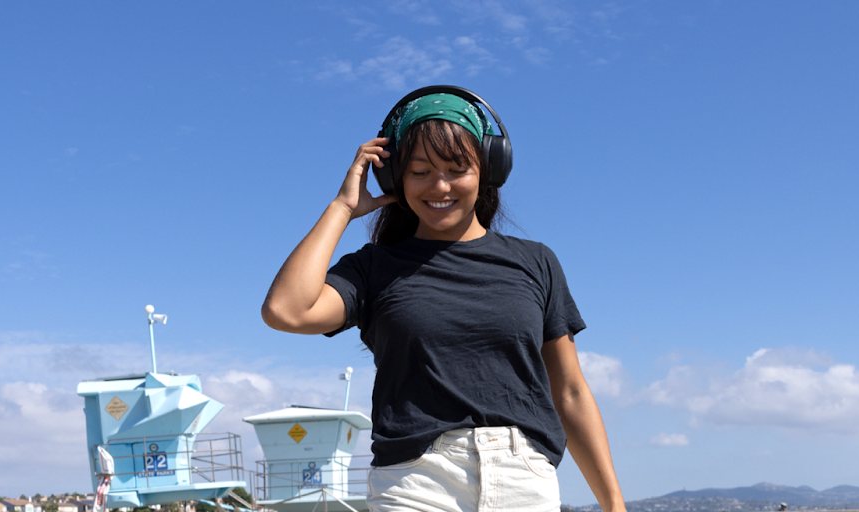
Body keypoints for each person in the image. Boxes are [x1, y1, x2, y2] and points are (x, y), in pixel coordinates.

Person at [261, 86, 626, 512]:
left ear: (488, 169)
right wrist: (343, 207)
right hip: (415, 483)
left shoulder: (536, 262)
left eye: (456, 168)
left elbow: (570, 392)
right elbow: (286, 310)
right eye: (419, 171)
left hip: (523, 478)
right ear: (393, 176)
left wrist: (614, 504)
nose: (439, 186)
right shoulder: (374, 268)